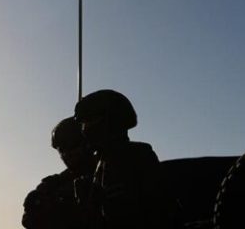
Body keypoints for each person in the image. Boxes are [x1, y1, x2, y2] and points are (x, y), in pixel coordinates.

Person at [74, 89, 173, 229]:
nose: (84, 129)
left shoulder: (137, 156)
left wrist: (100, 203)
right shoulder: (99, 164)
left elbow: (152, 213)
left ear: (108, 121)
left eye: (89, 121)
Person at [22, 117, 97, 229]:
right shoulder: (53, 185)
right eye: (62, 150)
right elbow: (29, 221)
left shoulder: (108, 171)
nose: (67, 154)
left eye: (72, 146)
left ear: (87, 144)